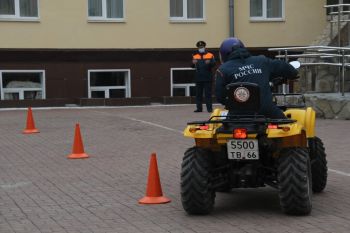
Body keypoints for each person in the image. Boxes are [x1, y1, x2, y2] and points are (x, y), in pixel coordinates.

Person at [215, 37, 298, 119]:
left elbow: (220, 97)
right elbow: (285, 67)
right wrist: (293, 73)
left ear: (223, 54)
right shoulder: (261, 61)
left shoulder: (222, 70)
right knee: (286, 127)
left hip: (237, 116)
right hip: (267, 111)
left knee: (223, 130)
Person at [192, 40, 216, 112]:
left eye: (202, 47)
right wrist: (193, 63)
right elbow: (192, 66)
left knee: (208, 94)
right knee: (198, 94)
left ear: (204, 47)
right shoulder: (195, 55)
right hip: (198, 78)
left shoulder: (210, 55)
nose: (200, 48)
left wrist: (209, 63)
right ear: (198, 48)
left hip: (207, 78)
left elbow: (214, 64)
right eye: (199, 47)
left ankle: (209, 109)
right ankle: (199, 108)